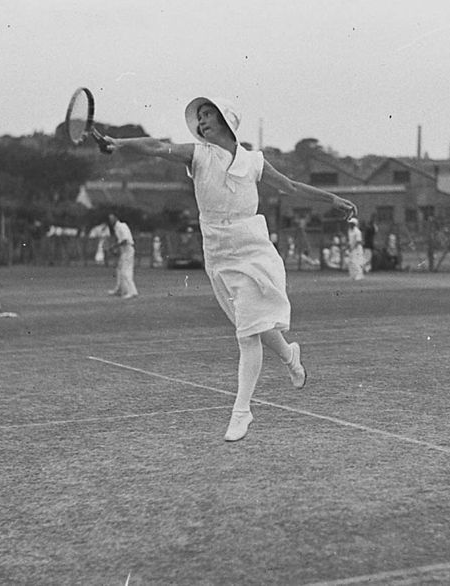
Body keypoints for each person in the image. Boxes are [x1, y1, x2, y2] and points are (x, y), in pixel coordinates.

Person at [94, 96, 357, 442]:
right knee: (255, 324)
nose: (201, 123)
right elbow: (157, 147)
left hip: (252, 246)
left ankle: (242, 411)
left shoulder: (253, 161)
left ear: (225, 121)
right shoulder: (197, 154)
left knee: (247, 333)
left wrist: (332, 199)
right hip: (217, 250)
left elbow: (290, 187)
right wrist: (120, 143)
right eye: (199, 118)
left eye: (207, 116)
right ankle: (291, 357)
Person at [106, 213, 138, 299]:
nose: (110, 221)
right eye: (109, 219)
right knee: (119, 270)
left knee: (125, 271)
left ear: (116, 218)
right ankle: (120, 289)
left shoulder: (121, 226)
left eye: (112, 219)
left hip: (128, 250)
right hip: (125, 251)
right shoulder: (116, 227)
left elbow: (125, 240)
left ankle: (132, 292)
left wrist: (114, 247)